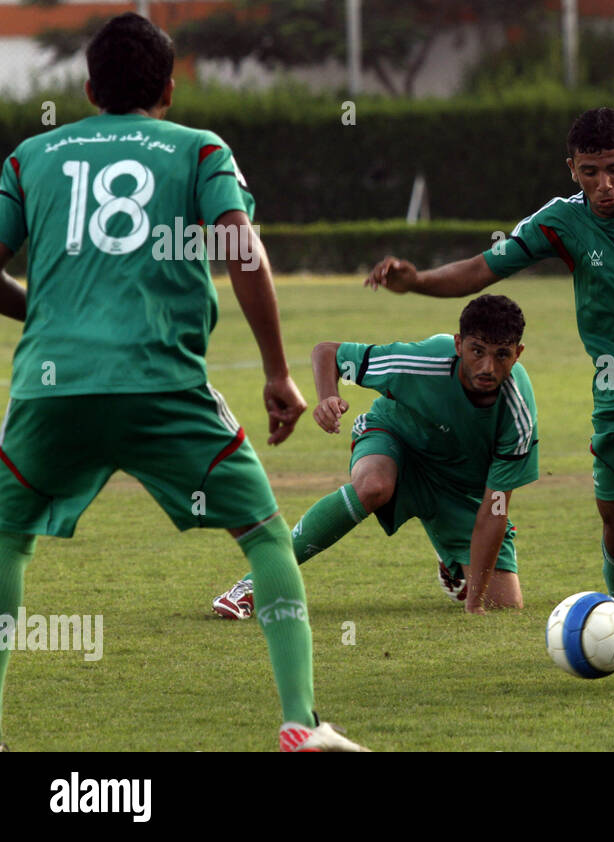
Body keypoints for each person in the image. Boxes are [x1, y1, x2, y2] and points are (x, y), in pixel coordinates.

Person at [0, 13, 364, 750]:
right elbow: (243, 253)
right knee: (265, 537)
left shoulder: (31, 155)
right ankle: (300, 721)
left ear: (87, 86)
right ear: (169, 87)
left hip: (51, 384)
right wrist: (276, 373)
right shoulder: (199, 148)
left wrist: (47, 311)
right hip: (160, 381)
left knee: (6, 540)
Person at [364, 107, 614, 675]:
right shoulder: (561, 221)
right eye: (588, 172)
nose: (603, 185)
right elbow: (486, 267)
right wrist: (417, 283)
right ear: (571, 169)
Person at [211, 294, 539, 618]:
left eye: (502, 355)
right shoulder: (421, 362)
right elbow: (328, 352)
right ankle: (256, 581)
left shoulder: (518, 411)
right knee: (373, 486)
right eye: (477, 351)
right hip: (395, 438)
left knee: (505, 603)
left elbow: (495, 507)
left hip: (457, 486)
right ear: (458, 345)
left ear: (518, 354)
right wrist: (327, 397)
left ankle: (450, 558)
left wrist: (476, 601)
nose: (487, 367)